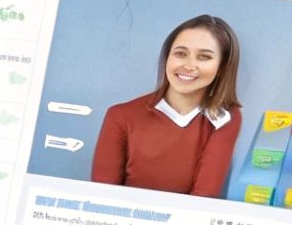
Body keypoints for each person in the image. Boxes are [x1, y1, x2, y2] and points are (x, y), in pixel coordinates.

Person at [90, 14, 244, 197]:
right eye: (180, 54)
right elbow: (102, 196)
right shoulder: (120, 115)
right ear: (167, 58)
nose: (189, 65)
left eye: (204, 57)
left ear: (222, 68)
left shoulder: (226, 117)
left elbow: (203, 198)